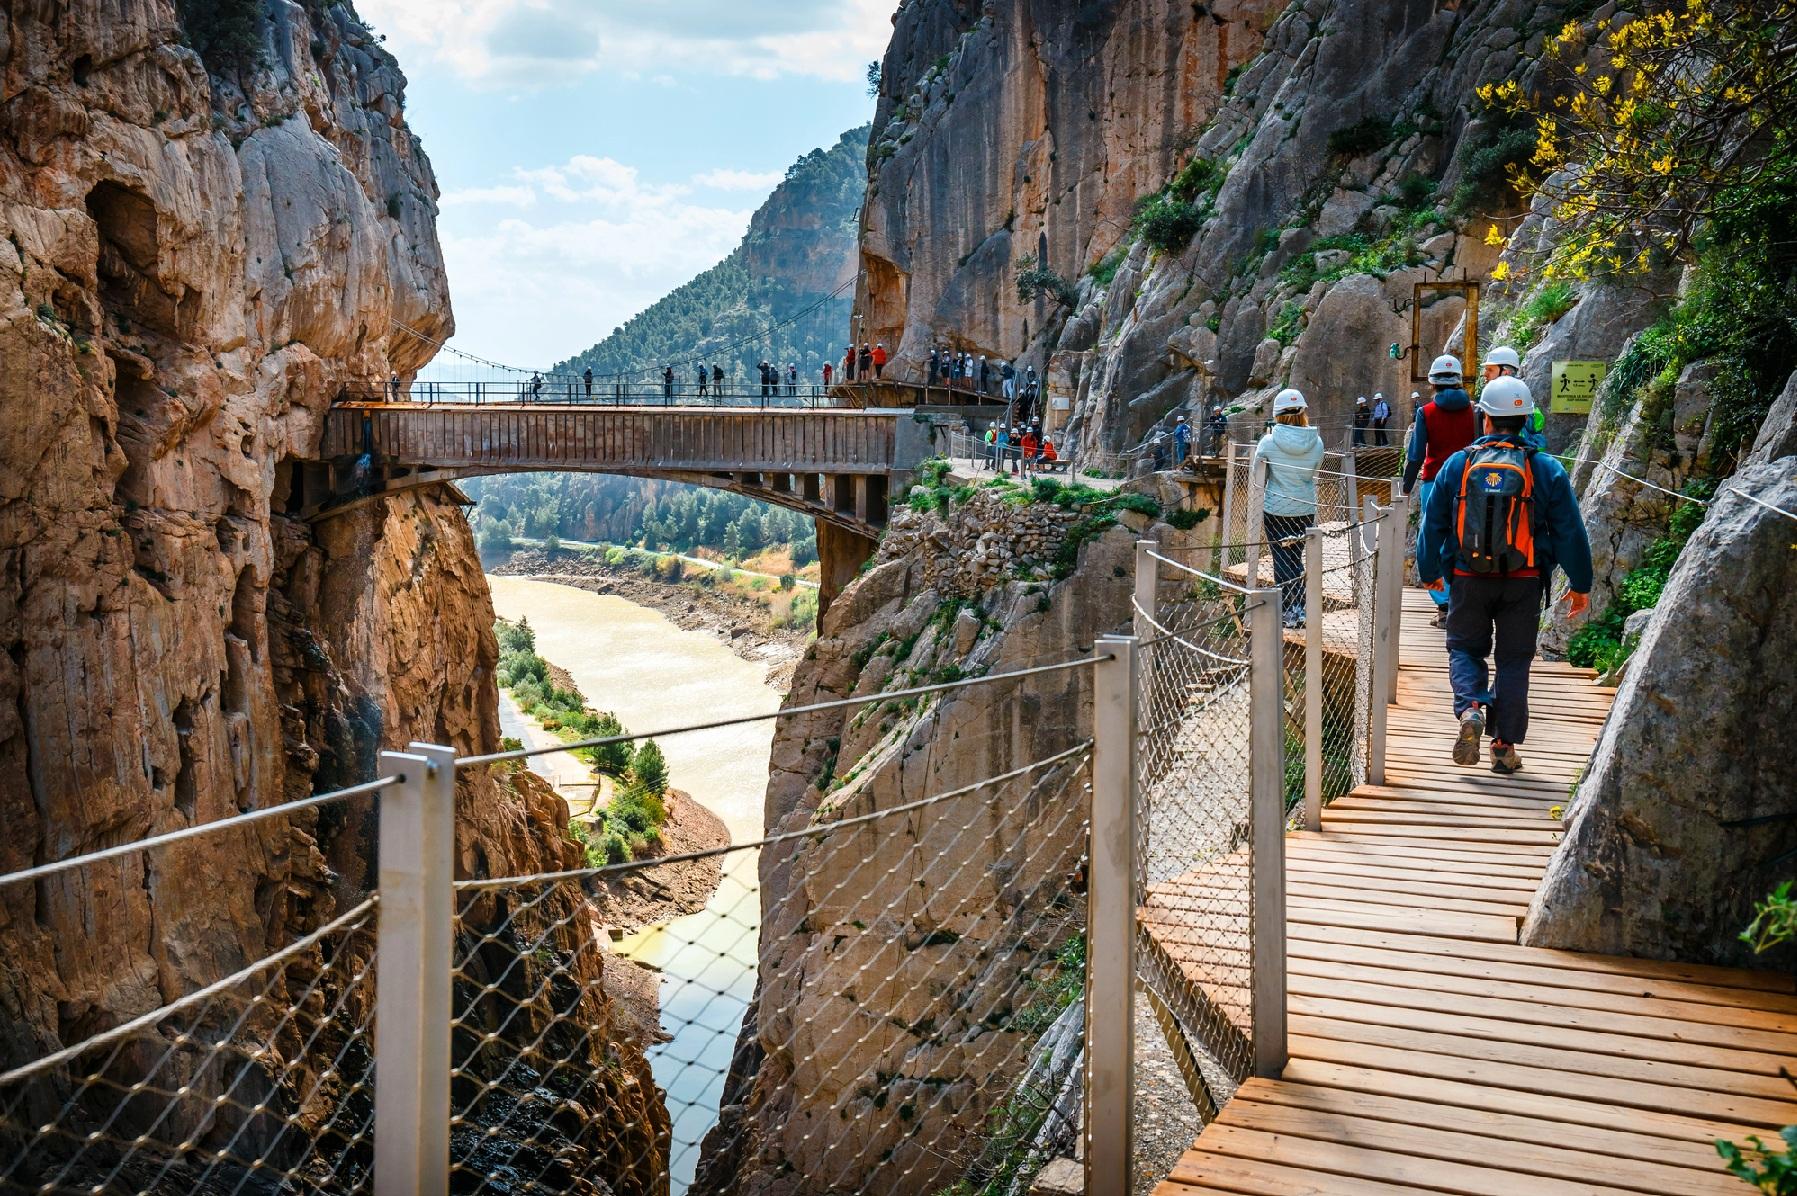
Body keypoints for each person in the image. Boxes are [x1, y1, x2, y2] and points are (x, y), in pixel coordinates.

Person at [1416, 376, 1592, 774]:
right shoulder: (1545, 469)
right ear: (1526, 418)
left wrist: (1430, 573)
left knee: (1464, 649)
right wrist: (1581, 585)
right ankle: (1503, 746)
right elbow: (1570, 531)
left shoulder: (1458, 465)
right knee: (1514, 661)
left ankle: (1472, 708)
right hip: (1524, 580)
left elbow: (1434, 525)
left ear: (1486, 419)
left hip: (1468, 577)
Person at [1402, 354, 1478, 626]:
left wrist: (1405, 487)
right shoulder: (1475, 410)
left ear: (1433, 383)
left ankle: (1444, 605)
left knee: (1434, 539)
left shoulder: (1426, 412)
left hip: (1434, 483)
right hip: (1470, 484)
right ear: (1458, 380)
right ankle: (1465, 601)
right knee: (1465, 540)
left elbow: (1416, 455)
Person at [1254, 388, 1325, 629]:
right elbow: (1313, 472)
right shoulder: (1316, 442)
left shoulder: (1269, 441)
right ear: (1303, 411)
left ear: (1277, 413)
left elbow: (1257, 475)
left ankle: (1287, 608)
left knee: (1281, 558)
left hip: (1276, 509)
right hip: (1304, 508)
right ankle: (1300, 607)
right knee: (1295, 557)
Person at [1482, 345, 1546, 446]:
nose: (1485, 374)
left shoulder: (1508, 401)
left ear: (1505, 372)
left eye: (1490, 370)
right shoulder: (1524, 397)